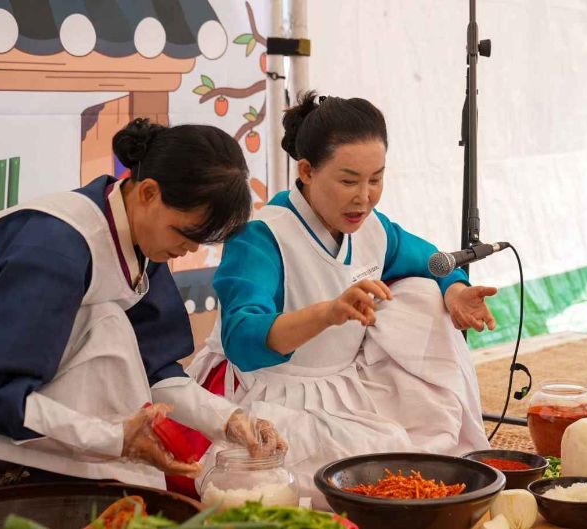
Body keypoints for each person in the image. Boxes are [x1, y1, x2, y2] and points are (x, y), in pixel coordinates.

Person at [0, 118, 285, 500]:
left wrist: (230, 420)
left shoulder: (139, 236)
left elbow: (154, 367)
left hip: (20, 403)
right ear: (149, 193)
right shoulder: (57, 248)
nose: (189, 250)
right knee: (106, 324)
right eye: (186, 234)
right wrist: (114, 439)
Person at [189, 91, 495, 504]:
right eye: (349, 180)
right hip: (271, 393)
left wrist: (455, 289)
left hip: (347, 385)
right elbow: (243, 340)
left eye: (376, 179)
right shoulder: (262, 236)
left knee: (423, 294)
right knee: (344, 483)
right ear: (307, 171)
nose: (364, 197)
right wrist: (328, 313)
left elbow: (428, 260)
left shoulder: (372, 229)